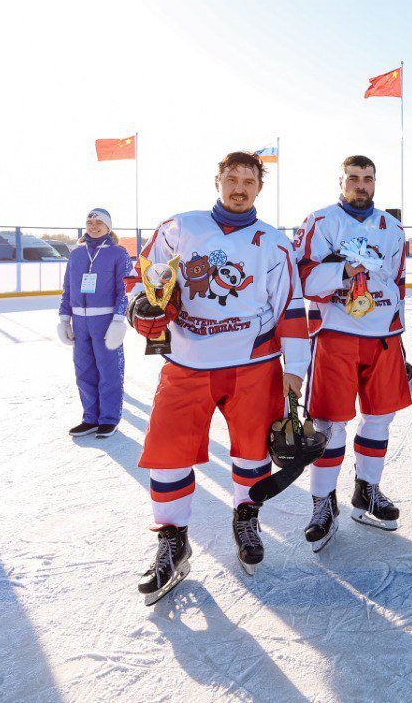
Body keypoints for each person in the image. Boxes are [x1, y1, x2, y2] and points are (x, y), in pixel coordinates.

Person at [129, 151, 309, 604]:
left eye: (249, 180)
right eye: (231, 178)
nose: (239, 187)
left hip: (254, 363)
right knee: (167, 453)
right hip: (187, 363)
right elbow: (144, 282)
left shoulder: (274, 242)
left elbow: (290, 307)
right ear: (217, 181)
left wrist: (295, 371)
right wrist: (143, 310)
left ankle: (245, 516)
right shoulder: (180, 228)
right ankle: (172, 538)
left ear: (259, 189)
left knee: (252, 453)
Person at [296, 155, 412, 550]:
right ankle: (323, 503)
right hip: (336, 334)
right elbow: (303, 277)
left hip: (382, 337)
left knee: (379, 419)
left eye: (368, 179)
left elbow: (397, 283)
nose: (361, 185)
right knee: (329, 423)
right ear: (341, 181)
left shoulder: (392, 227)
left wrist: (401, 341)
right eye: (354, 178)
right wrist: (343, 271)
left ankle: (368, 490)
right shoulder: (321, 221)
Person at [57, 208, 131, 439]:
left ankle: (109, 418)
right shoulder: (76, 254)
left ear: (109, 227)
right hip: (80, 321)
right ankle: (90, 418)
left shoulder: (118, 253)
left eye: (99, 222)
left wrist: (119, 320)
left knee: (108, 371)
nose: (93, 226)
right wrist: (64, 318)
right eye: (90, 222)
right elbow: (68, 288)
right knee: (84, 371)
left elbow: (125, 289)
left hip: (106, 320)